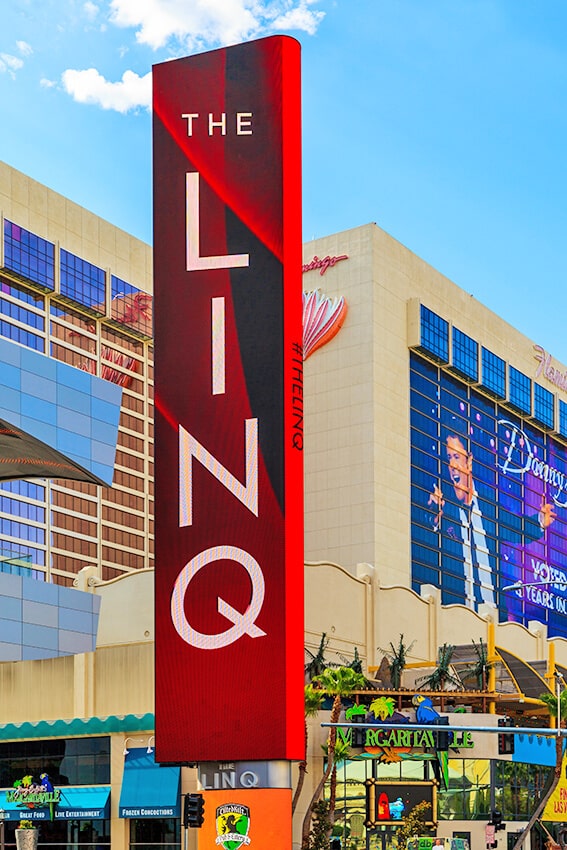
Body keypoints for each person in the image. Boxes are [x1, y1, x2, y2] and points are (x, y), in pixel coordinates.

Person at [428, 430, 556, 610]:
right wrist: (434, 519)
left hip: (493, 619)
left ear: (469, 461)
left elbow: (515, 528)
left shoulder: (488, 505)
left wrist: (539, 521)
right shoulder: (445, 510)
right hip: (457, 617)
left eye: (457, 456)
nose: (452, 465)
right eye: (448, 458)